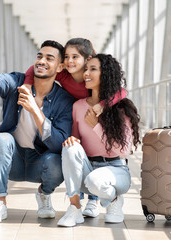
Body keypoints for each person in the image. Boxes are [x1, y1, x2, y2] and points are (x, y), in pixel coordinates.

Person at [0, 39, 74, 223]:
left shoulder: (64, 100)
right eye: (39, 56)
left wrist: (35, 110)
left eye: (49, 58)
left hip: (41, 162)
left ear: (60, 67)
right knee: (1, 139)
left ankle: (44, 195)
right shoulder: (17, 83)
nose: (41, 61)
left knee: (57, 160)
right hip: (13, 160)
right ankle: (0, 202)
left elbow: (57, 143)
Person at [25, 38, 127, 218]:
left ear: (88, 59)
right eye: (66, 57)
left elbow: (121, 92)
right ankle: (76, 204)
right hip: (74, 111)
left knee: (96, 147)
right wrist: (27, 83)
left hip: (94, 110)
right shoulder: (64, 74)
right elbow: (35, 69)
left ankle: (95, 200)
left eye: (75, 57)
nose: (69, 61)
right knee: (74, 149)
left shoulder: (91, 79)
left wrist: (103, 104)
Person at [57, 54, 141, 227]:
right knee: (70, 147)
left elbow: (124, 150)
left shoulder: (122, 107)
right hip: (88, 169)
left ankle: (115, 199)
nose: (86, 73)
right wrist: (71, 141)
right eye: (86, 69)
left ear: (106, 74)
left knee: (96, 180)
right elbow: (76, 140)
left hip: (116, 170)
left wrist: (96, 126)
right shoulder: (78, 106)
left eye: (93, 69)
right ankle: (74, 208)